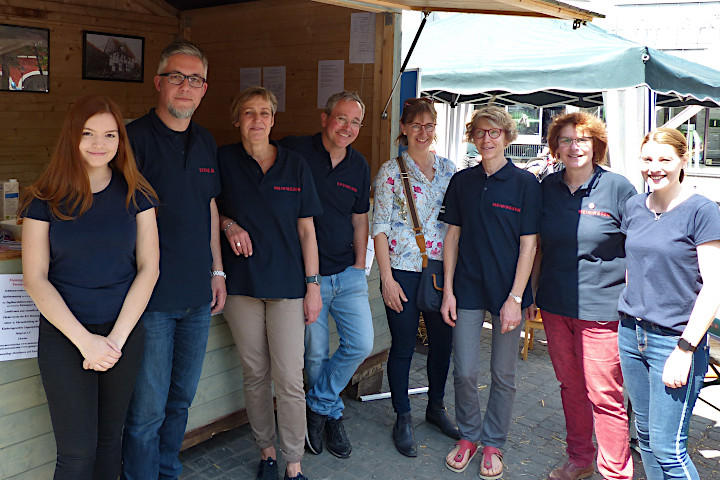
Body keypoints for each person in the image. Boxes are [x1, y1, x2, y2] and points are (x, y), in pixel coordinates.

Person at [20, 95, 159, 479]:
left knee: (109, 445)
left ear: (120, 140)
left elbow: (149, 269)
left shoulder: (138, 194)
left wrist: (114, 339)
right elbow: (36, 279)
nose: (100, 144)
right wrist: (86, 342)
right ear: (72, 136)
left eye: (110, 134)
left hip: (123, 335)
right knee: (77, 455)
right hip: (66, 338)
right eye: (89, 133)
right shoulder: (43, 198)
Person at [122, 41, 227, 479]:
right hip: (149, 300)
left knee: (181, 399)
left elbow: (209, 208)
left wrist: (217, 270)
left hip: (197, 296)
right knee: (146, 410)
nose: (186, 87)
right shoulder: (130, 139)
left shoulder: (206, 141)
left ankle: (168, 471)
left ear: (204, 90)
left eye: (195, 80)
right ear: (158, 83)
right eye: (177, 77)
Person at [217, 86, 322, 480]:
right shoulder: (223, 160)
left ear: (273, 120)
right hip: (241, 286)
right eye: (248, 113)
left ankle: (293, 464)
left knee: (290, 378)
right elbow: (209, 208)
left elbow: (307, 232)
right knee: (255, 373)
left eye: (264, 113)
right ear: (237, 120)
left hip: (288, 287)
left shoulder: (295, 165)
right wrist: (228, 224)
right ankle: (267, 453)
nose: (257, 120)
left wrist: (313, 286)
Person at [531, 112, 635, 480]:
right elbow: (537, 246)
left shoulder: (618, 188)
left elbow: (636, 249)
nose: (574, 147)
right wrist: (530, 294)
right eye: (566, 140)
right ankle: (580, 459)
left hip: (603, 310)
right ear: (555, 146)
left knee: (604, 394)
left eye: (583, 140)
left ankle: (615, 472)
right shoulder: (545, 188)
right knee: (570, 387)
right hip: (556, 306)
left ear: (596, 146)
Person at [440, 105, 540, 479]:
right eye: (480, 133)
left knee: (503, 373)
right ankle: (468, 436)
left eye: (494, 133)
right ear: (473, 136)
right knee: (464, 371)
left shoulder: (526, 184)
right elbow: (451, 236)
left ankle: (493, 443)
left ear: (507, 137)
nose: (486, 139)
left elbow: (529, 244)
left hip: (506, 293)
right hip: (466, 287)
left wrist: (516, 298)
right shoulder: (462, 181)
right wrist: (448, 290)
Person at [618, 127, 720, 480]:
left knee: (668, 447)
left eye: (665, 159)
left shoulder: (702, 211)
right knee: (645, 439)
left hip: (674, 341)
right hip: (631, 334)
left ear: (682, 160)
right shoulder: (633, 206)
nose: (654, 167)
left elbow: (713, 288)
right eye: (647, 159)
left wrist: (685, 348)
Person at [279, 91, 373, 459]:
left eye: (355, 122)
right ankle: (331, 415)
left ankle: (318, 406)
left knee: (361, 344)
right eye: (341, 118)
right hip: (307, 277)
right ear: (324, 118)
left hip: (347, 273)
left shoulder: (359, 165)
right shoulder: (293, 150)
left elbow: (359, 217)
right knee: (315, 354)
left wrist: (360, 265)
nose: (347, 128)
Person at [372, 97, 459, 458]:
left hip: (441, 272)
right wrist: (386, 278)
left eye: (429, 126)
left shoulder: (450, 169)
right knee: (404, 345)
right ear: (404, 128)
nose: (423, 132)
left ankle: (435, 406)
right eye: (416, 125)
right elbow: (379, 227)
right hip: (402, 272)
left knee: (442, 344)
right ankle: (402, 415)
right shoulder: (391, 171)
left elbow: (456, 225)